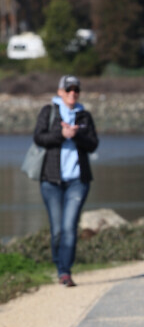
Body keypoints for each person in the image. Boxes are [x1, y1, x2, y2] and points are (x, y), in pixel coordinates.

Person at [33, 75, 99, 287]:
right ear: (60, 91)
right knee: (57, 231)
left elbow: (93, 144)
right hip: (50, 181)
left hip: (78, 181)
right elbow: (39, 138)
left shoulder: (84, 116)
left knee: (69, 227)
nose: (73, 93)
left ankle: (65, 272)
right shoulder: (48, 111)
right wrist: (62, 134)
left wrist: (76, 135)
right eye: (68, 89)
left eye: (76, 89)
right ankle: (58, 264)